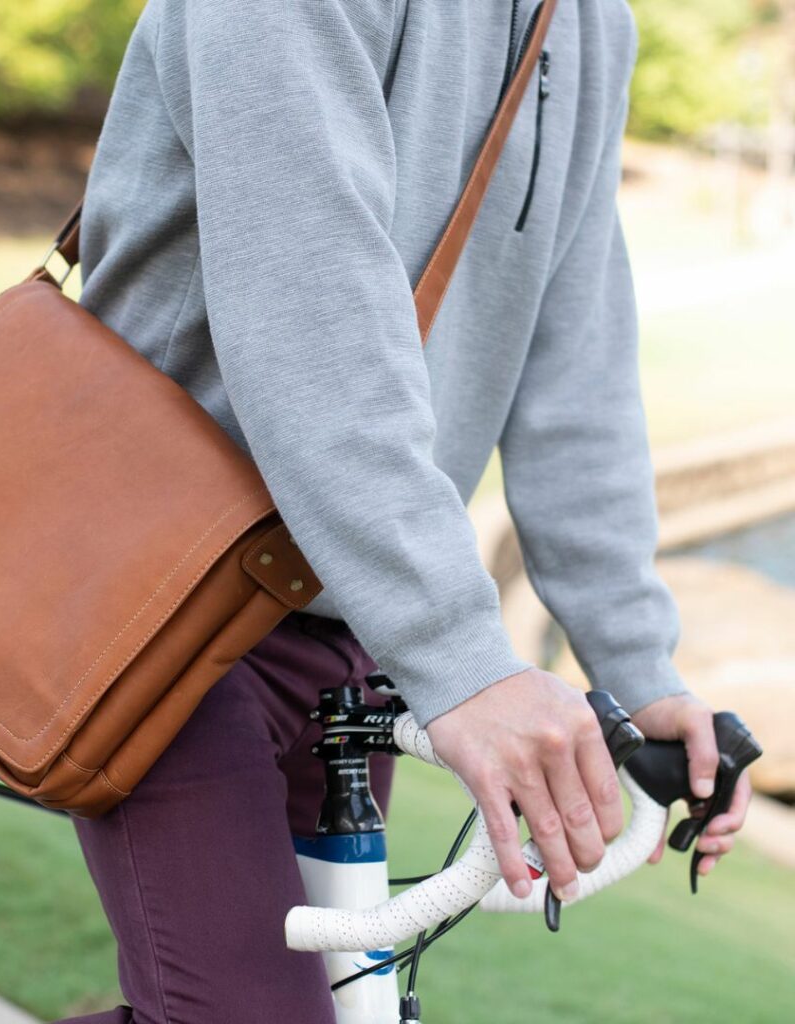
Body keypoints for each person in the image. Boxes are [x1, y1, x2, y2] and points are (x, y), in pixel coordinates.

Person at [60, 2, 751, 1022]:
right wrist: (465, 661)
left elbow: (575, 375)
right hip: (155, 586)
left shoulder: (590, 22)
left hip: (350, 608)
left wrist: (638, 667)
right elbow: (311, 321)